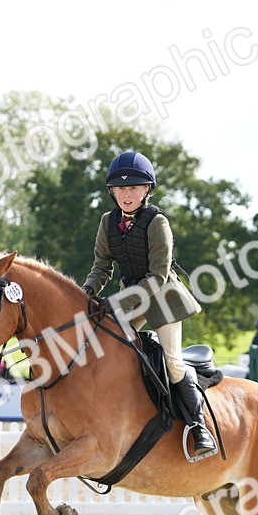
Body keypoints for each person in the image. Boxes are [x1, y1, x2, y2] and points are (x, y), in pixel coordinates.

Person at [81, 150, 215, 460]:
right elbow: (102, 265)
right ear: (112, 192)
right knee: (104, 348)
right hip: (132, 297)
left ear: (146, 190)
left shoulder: (157, 222)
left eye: (134, 188)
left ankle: (199, 427)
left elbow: (156, 278)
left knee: (172, 361)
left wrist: (116, 302)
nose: (127, 195)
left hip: (163, 299)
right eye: (121, 189)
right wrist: (86, 293)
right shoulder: (107, 221)